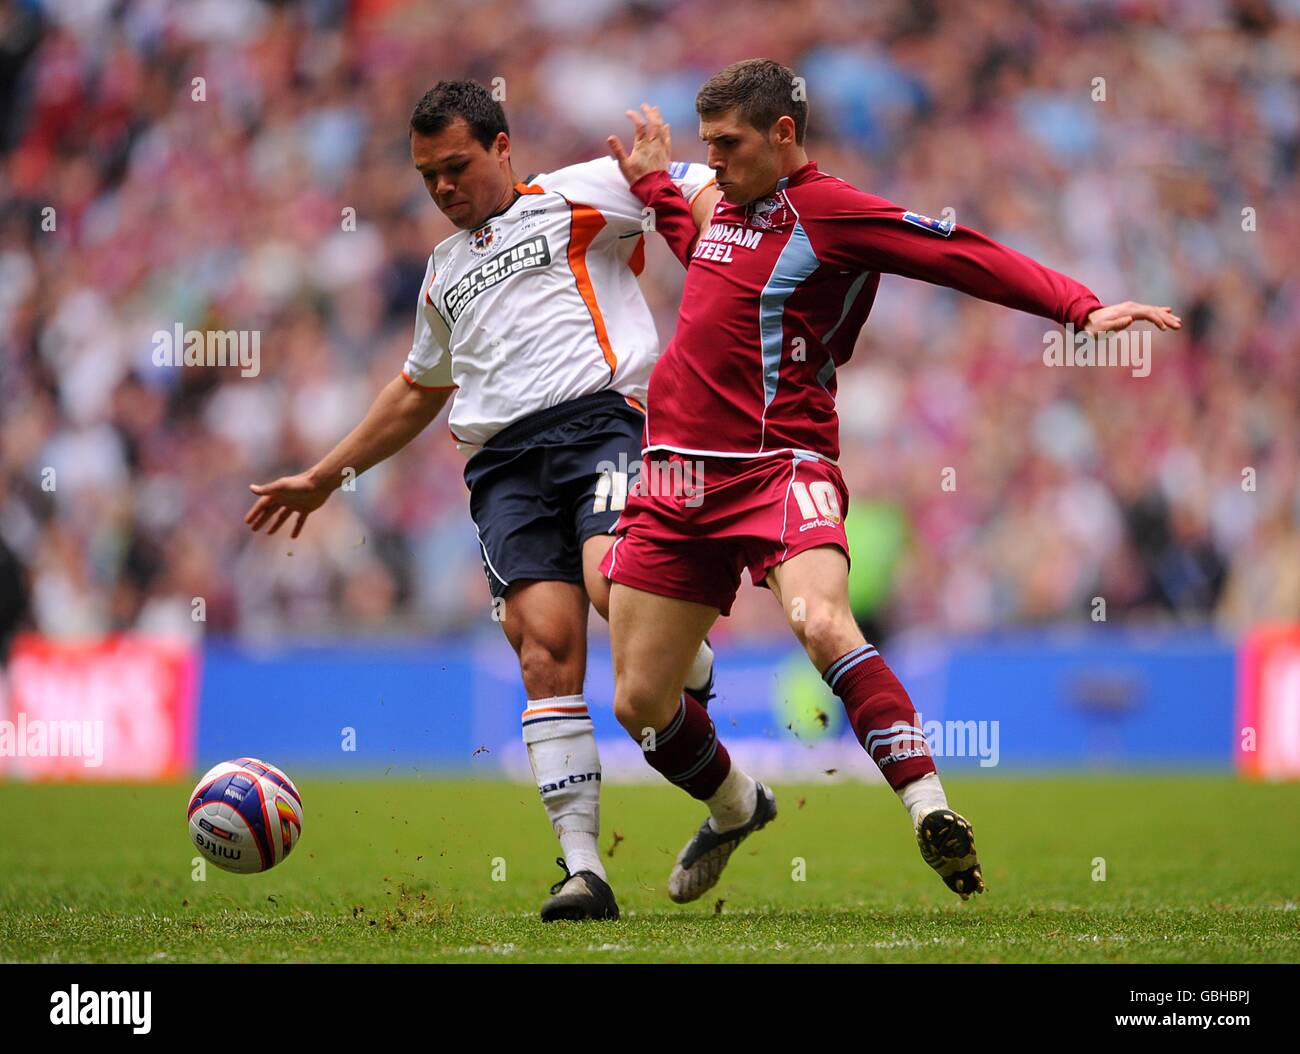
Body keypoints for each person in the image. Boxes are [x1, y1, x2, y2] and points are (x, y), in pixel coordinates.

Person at [601, 60, 1181, 904]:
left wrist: (1076, 307)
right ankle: (735, 806)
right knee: (639, 705)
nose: (714, 161)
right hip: (677, 476)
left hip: (778, 466)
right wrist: (656, 182)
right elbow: (706, 258)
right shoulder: (722, 208)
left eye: (728, 144)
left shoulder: (833, 212)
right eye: (707, 147)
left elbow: (957, 255)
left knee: (820, 617)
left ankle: (928, 809)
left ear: (784, 134)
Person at [244, 80, 720, 921]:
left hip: (604, 426)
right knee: (544, 651)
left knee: (614, 585)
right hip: (501, 468)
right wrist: (326, 475)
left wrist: (670, 174)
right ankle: (585, 870)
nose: (443, 188)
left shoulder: (582, 192)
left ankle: (687, 658)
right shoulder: (439, 275)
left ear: (502, 148)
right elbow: (415, 392)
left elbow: (697, 194)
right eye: (428, 175)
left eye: (457, 165)